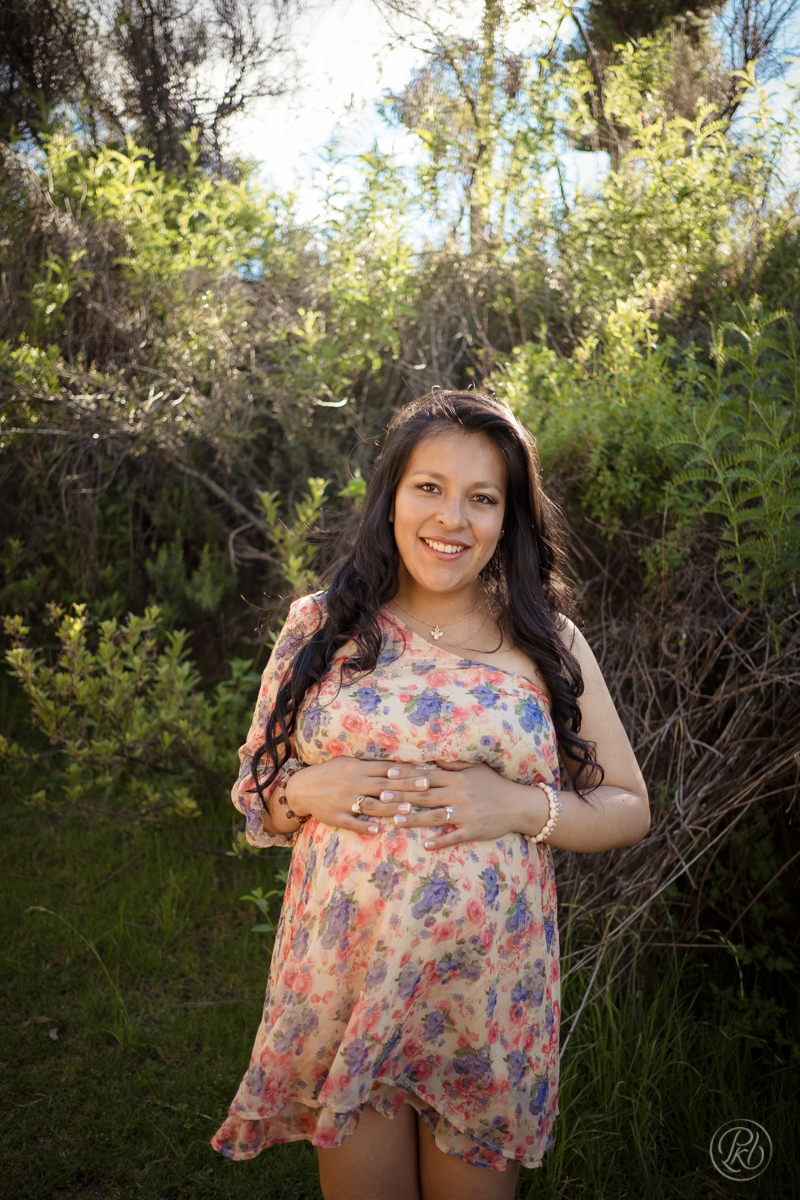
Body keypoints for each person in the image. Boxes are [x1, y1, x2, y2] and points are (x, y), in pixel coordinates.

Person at [211, 391, 649, 1200]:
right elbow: (257, 798)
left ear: (509, 520)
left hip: (483, 995)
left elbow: (628, 805)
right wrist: (306, 785)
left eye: (482, 498)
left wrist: (523, 808)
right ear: (391, 496)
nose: (453, 518)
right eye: (430, 488)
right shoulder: (322, 626)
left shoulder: (547, 640)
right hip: (346, 979)